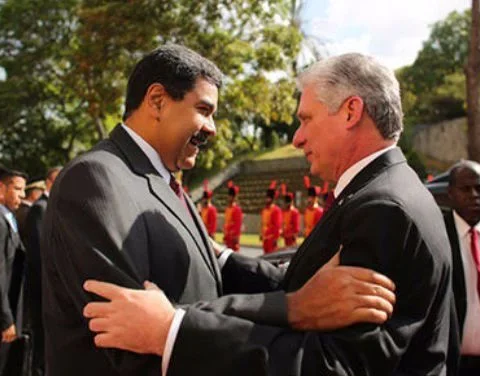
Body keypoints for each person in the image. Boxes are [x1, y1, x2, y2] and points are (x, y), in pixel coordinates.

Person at [83, 52, 457, 376]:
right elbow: (302, 285)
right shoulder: (390, 190)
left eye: (306, 118)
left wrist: (172, 331)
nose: (296, 138)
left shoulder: (383, 210)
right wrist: (222, 257)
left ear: (350, 111)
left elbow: (334, 365)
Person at [23, 166, 61, 376]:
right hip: (42, 288)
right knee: (41, 340)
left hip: (50, 289)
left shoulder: (53, 207)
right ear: (49, 183)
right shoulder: (41, 209)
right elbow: (39, 254)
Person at [444, 160, 480, 375]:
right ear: (450, 193)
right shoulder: (436, 233)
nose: (474, 195)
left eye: (479, 188)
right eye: (466, 189)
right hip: (451, 362)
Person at [0, 168, 26, 373]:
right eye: (17, 189)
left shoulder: (10, 218)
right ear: (1, 188)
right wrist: (5, 318)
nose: (23, 195)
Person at [260, 181, 282, 254]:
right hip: (265, 239)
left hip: (271, 239)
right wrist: (261, 233)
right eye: (267, 198)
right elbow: (262, 223)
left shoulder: (276, 210)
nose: (267, 200)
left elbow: (277, 226)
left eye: (269, 198)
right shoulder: (264, 210)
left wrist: (276, 238)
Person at [223, 181, 243, 251]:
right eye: (229, 196)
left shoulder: (237, 209)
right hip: (228, 238)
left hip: (233, 239)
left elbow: (238, 224)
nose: (230, 198)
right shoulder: (227, 209)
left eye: (231, 196)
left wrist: (236, 237)